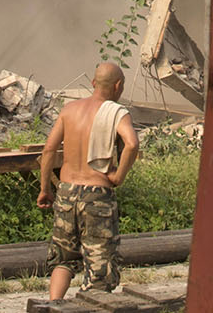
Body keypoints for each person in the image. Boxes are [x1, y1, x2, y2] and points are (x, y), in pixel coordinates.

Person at [37, 61, 139, 299]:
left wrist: (45, 189)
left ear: (93, 83)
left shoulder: (69, 110)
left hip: (66, 191)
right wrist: (118, 176)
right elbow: (132, 144)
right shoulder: (117, 113)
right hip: (97, 197)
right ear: (118, 86)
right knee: (99, 266)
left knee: (63, 258)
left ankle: (54, 306)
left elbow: (49, 151)